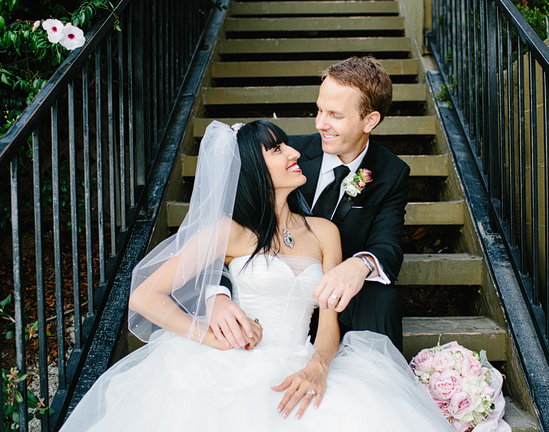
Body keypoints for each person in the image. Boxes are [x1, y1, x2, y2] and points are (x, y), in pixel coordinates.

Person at [59, 120, 452, 431]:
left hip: (301, 358)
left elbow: (329, 324)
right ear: (253, 168)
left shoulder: (324, 233)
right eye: (278, 149)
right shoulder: (228, 232)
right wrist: (210, 338)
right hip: (230, 366)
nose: (296, 152)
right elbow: (145, 297)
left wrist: (318, 366)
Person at [209, 57, 408, 351]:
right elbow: (223, 227)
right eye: (319, 110)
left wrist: (360, 264)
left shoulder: (391, 172)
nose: (320, 123)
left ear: (370, 120)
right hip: (268, 306)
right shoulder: (288, 154)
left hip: (336, 302)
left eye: (335, 115)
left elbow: (388, 244)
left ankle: (383, 382)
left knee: (383, 298)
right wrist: (217, 297)